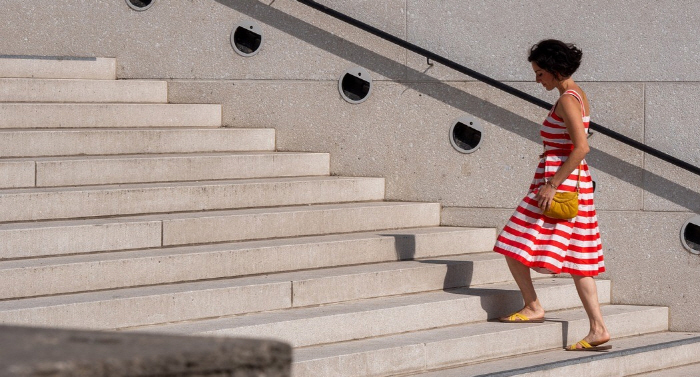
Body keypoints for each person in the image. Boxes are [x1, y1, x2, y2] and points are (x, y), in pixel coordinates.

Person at [492, 39, 611, 351]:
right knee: (578, 259)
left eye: (540, 73)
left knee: (511, 241)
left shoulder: (569, 100)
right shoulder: (574, 94)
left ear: (556, 70)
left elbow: (582, 147)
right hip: (573, 185)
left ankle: (533, 306)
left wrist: (552, 183)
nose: (537, 79)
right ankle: (598, 328)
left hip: (560, 185)